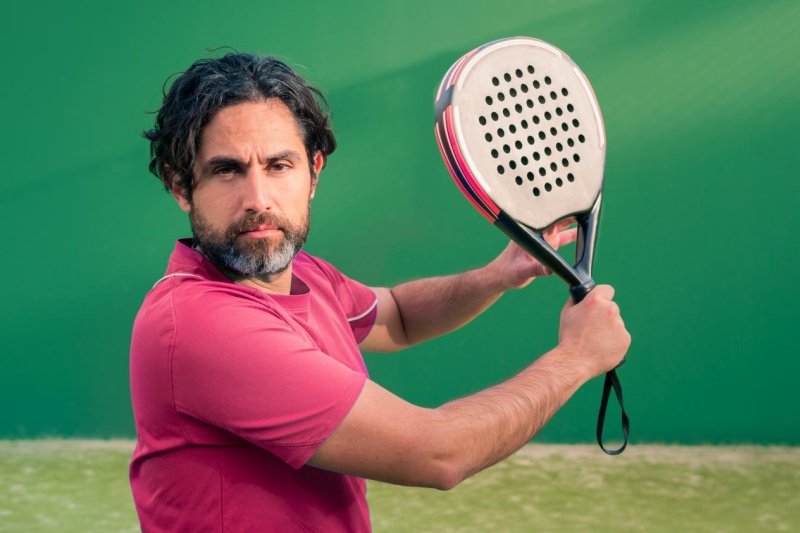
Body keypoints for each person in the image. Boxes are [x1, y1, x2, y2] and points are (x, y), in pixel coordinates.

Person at [129, 52, 630, 532]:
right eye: (228, 170)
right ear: (181, 186)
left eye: (279, 165)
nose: (257, 199)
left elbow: (397, 315)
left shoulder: (305, 274)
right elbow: (438, 452)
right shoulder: (200, 324)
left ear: (313, 172)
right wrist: (577, 358)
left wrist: (498, 274)